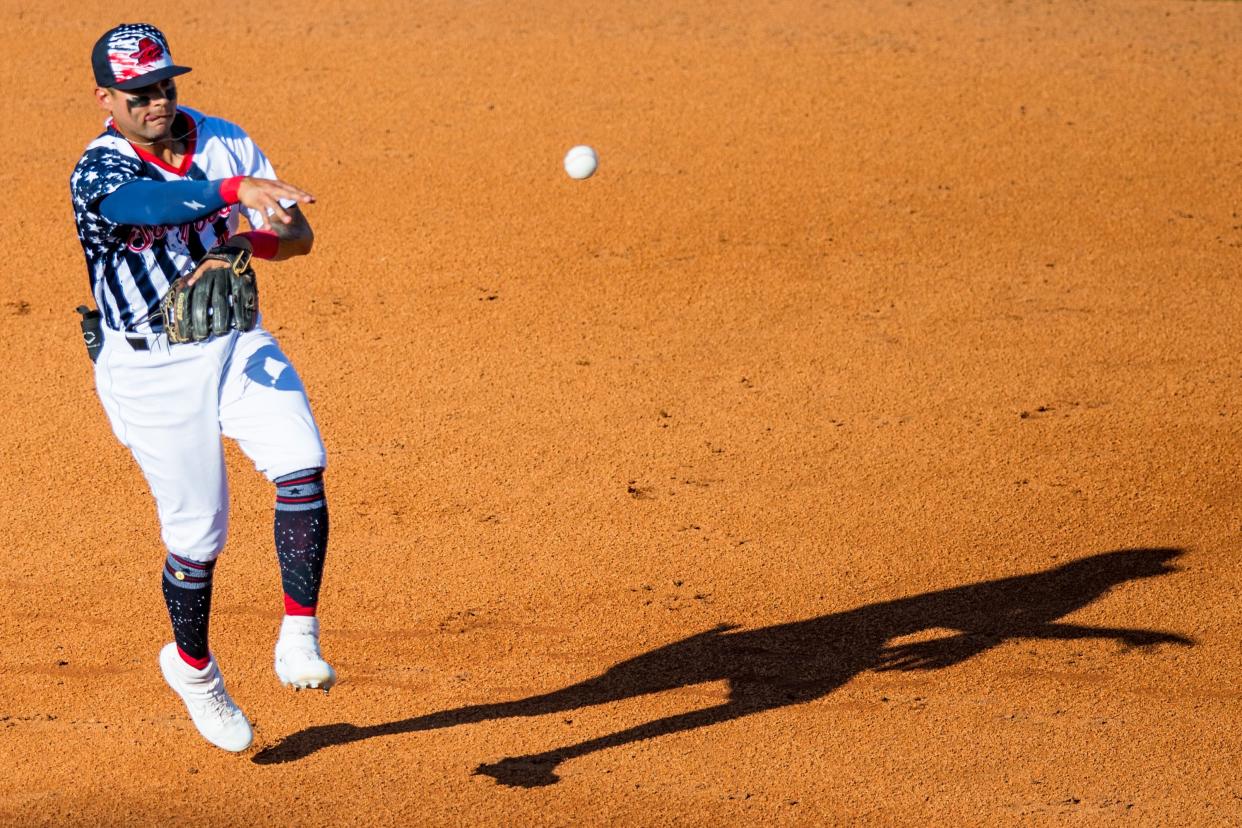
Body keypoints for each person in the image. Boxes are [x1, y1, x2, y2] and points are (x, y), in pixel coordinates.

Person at [69, 23, 335, 753]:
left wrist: (245, 238)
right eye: (139, 93)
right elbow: (144, 209)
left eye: (164, 86)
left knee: (300, 460)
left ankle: (298, 635)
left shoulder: (224, 139)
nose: (156, 102)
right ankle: (194, 670)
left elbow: (298, 236)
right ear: (106, 99)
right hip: (149, 369)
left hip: (233, 342)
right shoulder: (98, 171)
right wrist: (229, 191)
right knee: (199, 536)